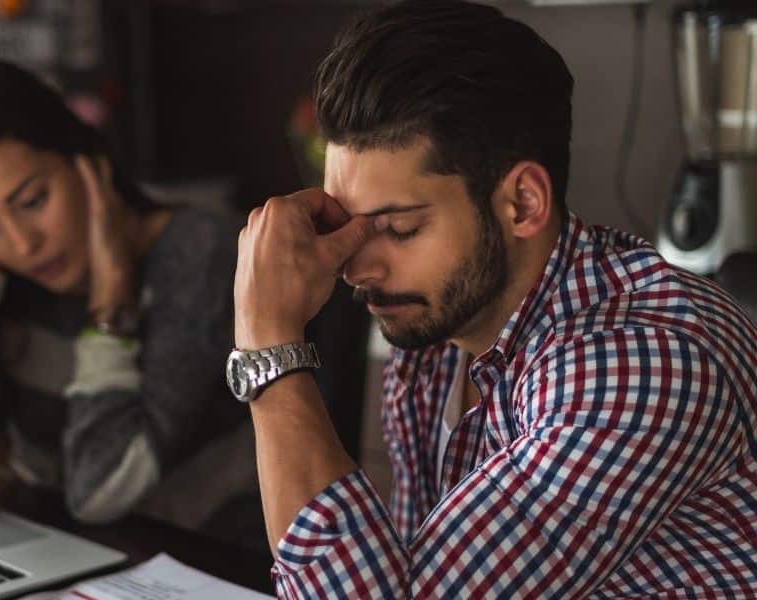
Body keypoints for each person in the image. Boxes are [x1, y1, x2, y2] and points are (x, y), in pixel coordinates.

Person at [228, 1, 757, 597]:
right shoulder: (433, 336)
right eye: (344, 224)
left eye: (398, 228)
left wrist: (268, 347)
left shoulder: (643, 362)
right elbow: (405, 578)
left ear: (524, 203)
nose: (357, 266)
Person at [0, 60, 255, 532]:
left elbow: (100, 492)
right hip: (60, 553)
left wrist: (111, 300)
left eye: (32, 202)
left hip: (199, 562)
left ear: (84, 159)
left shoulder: (196, 254)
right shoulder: (4, 277)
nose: (23, 245)